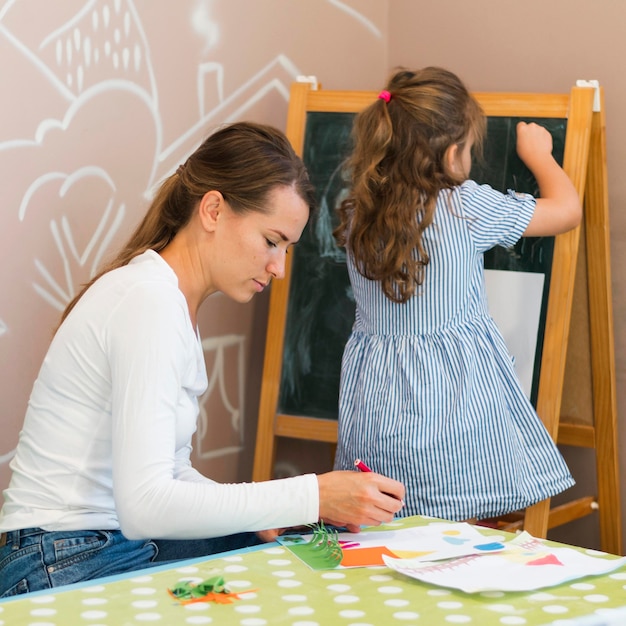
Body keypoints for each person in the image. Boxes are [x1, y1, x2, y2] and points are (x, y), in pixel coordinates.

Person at [0, 121, 405, 597]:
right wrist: (310, 495)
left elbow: (168, 475)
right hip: (65, 557)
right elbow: (146, 505)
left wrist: (274, 511)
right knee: (296, 581)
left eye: (287, 250)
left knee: (296, 554)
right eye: (271, 241)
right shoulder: (148, 302)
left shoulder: (164, 300)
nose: (278, 268)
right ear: (213, 209)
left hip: (88, 547)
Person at [332, 67, 578, 522]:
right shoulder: (463, 205)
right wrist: (540, 156)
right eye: (468, 148)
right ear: (449, 154)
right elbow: (566, 211)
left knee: (387, 528)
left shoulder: (356, 213)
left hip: (377, 408)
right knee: (455, 531)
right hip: (450, 408)